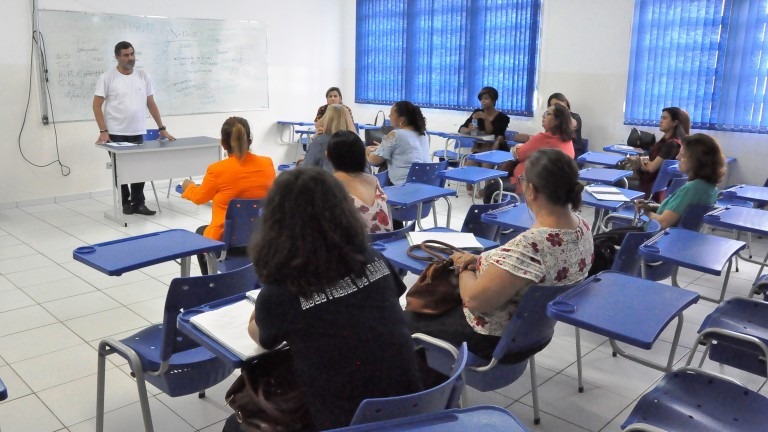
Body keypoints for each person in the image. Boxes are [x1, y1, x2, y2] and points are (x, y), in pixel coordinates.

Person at [243, 168, 422, 430]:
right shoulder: (373, 258)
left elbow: (262, 338)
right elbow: (388, 300)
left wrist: (261, 303)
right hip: (413, 406)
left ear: (276, 221)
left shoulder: (283, 289)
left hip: (345, 420)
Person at [405, 149, 593, 360]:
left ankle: (425, 383)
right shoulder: (582, 228)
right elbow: (523, 270)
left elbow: (474, 300)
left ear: (531, 190)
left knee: (408, 318)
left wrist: (464, 266)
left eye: (522, 180)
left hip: (492, 339)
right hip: (533, 332)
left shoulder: (532, 245)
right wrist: (481, 260)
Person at [180, 117, 275, 274]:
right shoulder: (267, 164)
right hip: (262, 237)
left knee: (200, 232)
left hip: (226, 240)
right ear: (249, 140)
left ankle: (210, 280)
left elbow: (199, 198)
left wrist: (188, 187)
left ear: (223, 143)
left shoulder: (217, 170)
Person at [93, 41, 176, 216]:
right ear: (117, 57)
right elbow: (96, 105)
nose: (130, 58)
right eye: (125, 55)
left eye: (132, 54)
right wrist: (103, 131)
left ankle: (139, 203)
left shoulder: (143, 75)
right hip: (115, 132)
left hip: (138, 131)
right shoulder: (107, 78)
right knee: (121, 170)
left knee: (139, 169)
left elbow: (151, 103)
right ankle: (125, 202)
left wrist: (162, 128)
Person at [483, 103, 575, 202]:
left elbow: (519, 154)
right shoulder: (567, 140)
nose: (543, 116)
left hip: (528, 185)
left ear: (557, 120)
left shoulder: (545, 138)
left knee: (491, 188)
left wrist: (518, 147)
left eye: (548, 114)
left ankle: (490, 215)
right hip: (553, 189)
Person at [635, 133, 723, 229]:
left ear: (696, 160)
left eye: (682, 155)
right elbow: (678, 211)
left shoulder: (690, 189)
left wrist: (646, 212)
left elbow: (663, 223)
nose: (677, 158)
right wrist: (651, 206)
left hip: (654, 238)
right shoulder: (710, 187)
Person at [327, 130, 392, 233]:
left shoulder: (330, 185)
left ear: (328, 156)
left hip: (355, 246)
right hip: (385, 244)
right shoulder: (374, 180)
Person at [630, 107, 690, 199]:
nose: (661, 121)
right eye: (661, 118)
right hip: (661, 187)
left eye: (665, 118)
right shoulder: (675, 141)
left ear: (675, 122)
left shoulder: (671, 144)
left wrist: (639, 161)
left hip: (652, 187)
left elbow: (651, 168)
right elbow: (653, 161)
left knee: (618, 181)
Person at [365, 101, 430, 185]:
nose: (389, 116)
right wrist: (382, 148)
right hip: (426, 184)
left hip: (403, 187)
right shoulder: (423, 134)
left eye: (391, 114)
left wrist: (367, 151)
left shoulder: (395, 134)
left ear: (401, 120)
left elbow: (374, 161)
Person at [302, 104, 357, 172]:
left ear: (327, 119)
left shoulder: (320, 141)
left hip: (327, 180)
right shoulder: (355, 142)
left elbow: (306, 168)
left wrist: (313, 140)